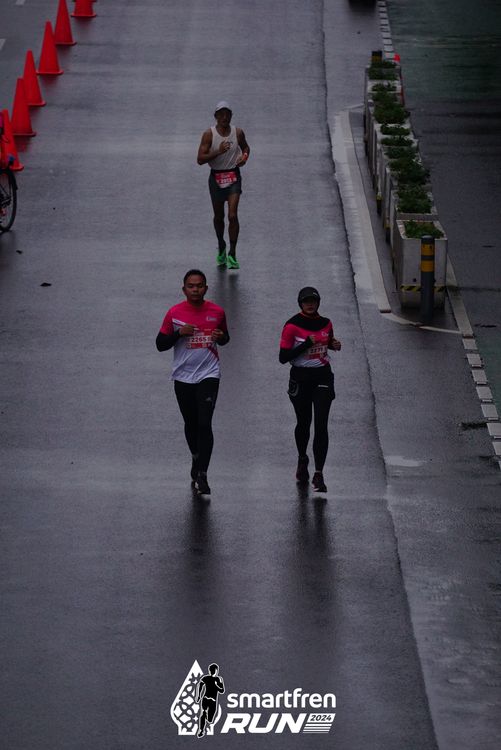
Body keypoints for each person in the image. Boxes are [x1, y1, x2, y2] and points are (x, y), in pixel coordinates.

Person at [156, 270, 229, 496]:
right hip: (183, 376)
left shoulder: (217, 311)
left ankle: (203, 475)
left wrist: (220, 337)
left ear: (206, 288)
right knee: (191, 423)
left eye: (199, 286)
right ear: (184, 289)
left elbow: (225, 338)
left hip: (209, 374)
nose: (195, 289)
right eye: (191, 286)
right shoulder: (174, 313)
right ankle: (196, 457)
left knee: (205, 423)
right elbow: (160, 344)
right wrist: (179, 333)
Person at [279, 287, 341, 493]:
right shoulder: (291, 326)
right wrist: (305, 344)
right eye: (306, 301)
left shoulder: (326, 323)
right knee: (304, 423)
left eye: (313, 301)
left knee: (321, 425)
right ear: (300, 303)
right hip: (301, 378)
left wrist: (333, 344)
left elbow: (326, 341)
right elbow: (283, 357)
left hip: (323, 376)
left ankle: (319, 473)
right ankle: (302, 458)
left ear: (318, 303)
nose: (310, 304)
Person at [197, 101, 250, 270]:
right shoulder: (209, 135)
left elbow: (246, 148)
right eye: (221, 114)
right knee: (219, 216)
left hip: (233, 176)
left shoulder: (238, 132)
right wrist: (218, 151)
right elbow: (200, 159)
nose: (225, 117)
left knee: (232, 216)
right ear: (216, 117)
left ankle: (232, 253)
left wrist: (244, 158)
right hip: (216, 178)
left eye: (227, 114)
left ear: (231, 116)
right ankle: (221, 245)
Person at [195, 663, 225, 738]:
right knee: (203, 713)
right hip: (205, 699)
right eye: (212, 670)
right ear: (210, 671)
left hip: (213, 701)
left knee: (210, 720)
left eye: (214, 670)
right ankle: (201, 730)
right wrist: (198, 696)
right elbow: (200, 685)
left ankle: (207, 718)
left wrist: (216, 685)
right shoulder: (206, 678)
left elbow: (222, 691)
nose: (213, 672)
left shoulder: (218, 679)